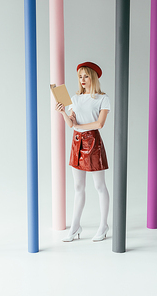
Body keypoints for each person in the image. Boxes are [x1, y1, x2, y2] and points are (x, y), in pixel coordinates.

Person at [55, 61, 110, 242]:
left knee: (99, 186)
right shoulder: (74, 98)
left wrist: (79, 126)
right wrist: (63, 112)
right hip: (77, 143)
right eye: (80, 76)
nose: (82, 80)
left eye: (86, 76)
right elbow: (71, 124)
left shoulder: (102, 98)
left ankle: (103, 225)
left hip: (93, 142)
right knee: (78, 187)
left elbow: (99, 124)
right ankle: (75, 226)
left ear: (93, 77)